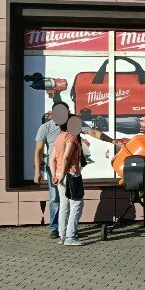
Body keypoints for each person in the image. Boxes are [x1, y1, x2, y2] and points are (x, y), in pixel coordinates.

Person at [33, 102, 119, 238]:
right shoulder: (46, 128)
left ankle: (65, 232)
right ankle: (58, 229)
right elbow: (39, 151)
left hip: (66, 168)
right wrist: (38, 171)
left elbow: (93, 132)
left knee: (67, 200)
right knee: (59, 199)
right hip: (58, 169)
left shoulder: (74, 123)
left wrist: (111, 140)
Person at [49, 114, 86, 246]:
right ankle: (70, 237)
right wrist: (64, 175)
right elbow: (66, 158)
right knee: (77, 204)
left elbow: (52, 160)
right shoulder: (72, 137)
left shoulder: (59, 137)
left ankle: (62, 235)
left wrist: (55, 175)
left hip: (59, 174)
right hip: (71, 174)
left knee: (64, 205)